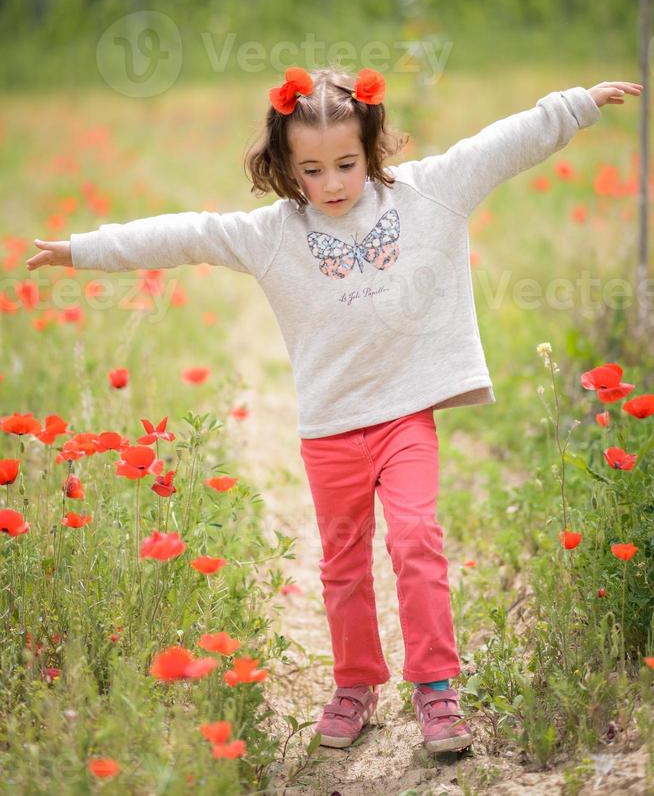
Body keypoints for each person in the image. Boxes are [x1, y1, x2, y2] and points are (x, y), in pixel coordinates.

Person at [26, 67, 642, 755]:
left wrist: (576, 105)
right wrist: (81, 250)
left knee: (415, 539)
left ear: (371, 148)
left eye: (346, 164)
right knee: (343, 564)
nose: (333, 183)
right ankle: (355, 685)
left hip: (406, 416)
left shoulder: (426, 194)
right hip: (332, 428)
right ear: (287, 168)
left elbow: (501, 145)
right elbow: (185, 234)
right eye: (312, 169)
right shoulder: (270, 235)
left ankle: (437, 689)